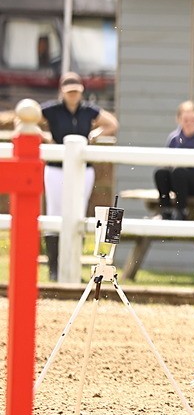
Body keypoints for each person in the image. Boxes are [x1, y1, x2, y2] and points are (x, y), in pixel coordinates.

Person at [40, 72, 119, 281]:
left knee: (78, 213)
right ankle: (54, 268)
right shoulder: (52, 109)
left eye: (76, 91)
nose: (73, 95)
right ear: (63, 92)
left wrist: (95, 134)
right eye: (70, 91)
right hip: (57, 167)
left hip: (83, 169)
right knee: (55, 213)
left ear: (81, 91)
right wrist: (44, 136)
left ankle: (73, 264)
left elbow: (111, 123)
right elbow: (28, 119)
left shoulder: (87, 111)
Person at [154, 101, 194, 220]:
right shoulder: (174, 139)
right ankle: (165, 210)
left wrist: (189, 167)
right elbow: (166, 162)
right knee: (160, 173)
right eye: (185, 120)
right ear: (178, 120)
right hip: (179, 182)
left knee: (180, 172)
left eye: (192, 119)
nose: (189, 123)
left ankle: (181, 211)